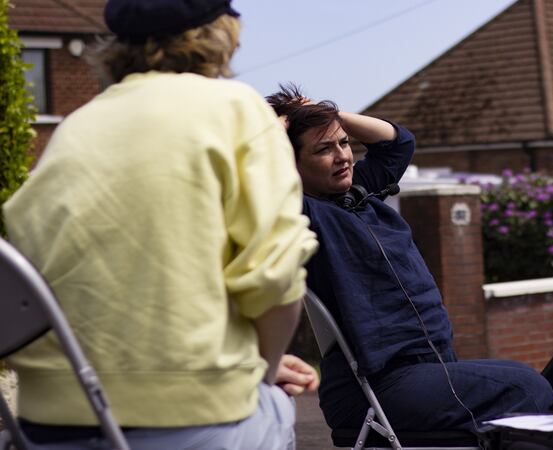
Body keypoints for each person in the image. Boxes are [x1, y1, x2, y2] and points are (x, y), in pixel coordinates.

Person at [2, 1, 318, 449]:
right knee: (278, 408)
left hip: (48, 421)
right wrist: (255, 375)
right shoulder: (235, 108)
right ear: (224, 32)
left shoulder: (76, 126)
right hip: (191, 421)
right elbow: (275, 279)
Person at [267, 85, 553, 432]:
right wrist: (273, 131)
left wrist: (333, 116)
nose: (343, 156)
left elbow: (397, 144)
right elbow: (260, 177)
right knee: (528, 388)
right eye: (324, 149)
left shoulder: (358, 194)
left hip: (430, 368)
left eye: (344, 142)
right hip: (380, 384)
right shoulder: (303, 214)